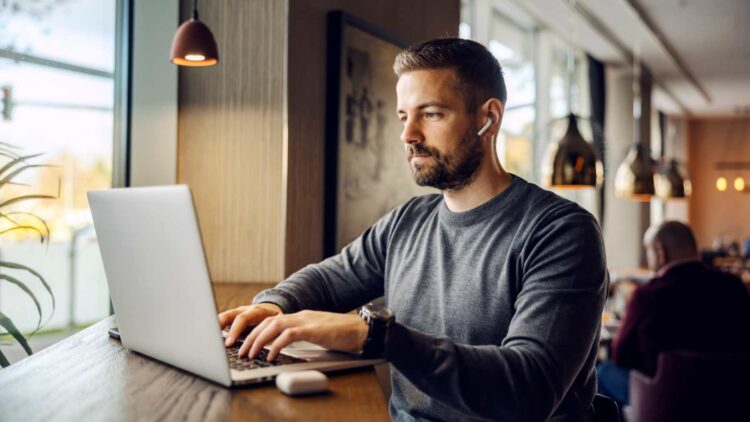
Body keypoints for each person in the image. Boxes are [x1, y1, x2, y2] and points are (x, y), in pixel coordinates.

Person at [220, 38, 607, 421]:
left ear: (488, 118)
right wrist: (274, 305)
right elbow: (328, 280)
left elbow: (529, 389)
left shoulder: (561, 232)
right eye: (405, 117)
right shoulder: (408, 221)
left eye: (432, 114)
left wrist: (376, 336)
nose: (409, 135)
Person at [597, 221, 750, 407]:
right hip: (729, 398)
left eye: (648, 251)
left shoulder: (647, 295)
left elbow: (620, 354)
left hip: (667, 402)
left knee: (603, 372)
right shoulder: (734, 287)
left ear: (660, 252)